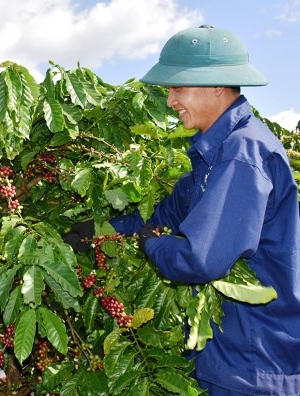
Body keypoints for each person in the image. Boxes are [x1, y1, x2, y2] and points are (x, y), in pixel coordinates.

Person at [65, 25, 300, 395]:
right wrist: (97, 231)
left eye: (178, 88)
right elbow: (166, 214)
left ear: (216, 85)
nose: (171, 101)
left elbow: (199, 260)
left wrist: (150, 244)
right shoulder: (214, 154)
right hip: (227, 354)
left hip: (253, 362)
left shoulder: (243, 153)